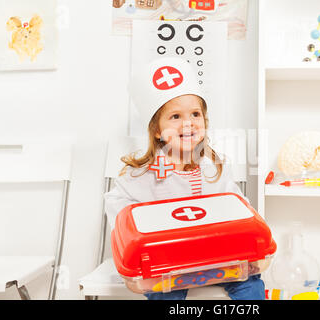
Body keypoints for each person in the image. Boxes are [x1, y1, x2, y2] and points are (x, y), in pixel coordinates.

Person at [104, 57, 265, 300]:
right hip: (167, 263)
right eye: (175, 116)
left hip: (216, 258)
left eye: (195, 114)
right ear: (157, 130)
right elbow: (118, 207)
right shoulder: (144, 172)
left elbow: (238, 206)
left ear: (204, 121)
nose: (188, 123)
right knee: (162, 293)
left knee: (251, 283)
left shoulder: (214, 168)